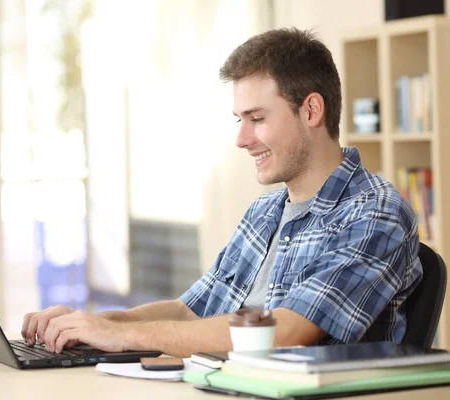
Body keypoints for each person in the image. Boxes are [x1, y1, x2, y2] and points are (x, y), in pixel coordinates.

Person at [22, 28, 422, 357]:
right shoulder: (264, 212)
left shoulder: (375, 213)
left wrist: (123, 337)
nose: (242, 139)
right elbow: (187, 312)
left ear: (312, 111)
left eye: (257, 118)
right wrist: (92, 324)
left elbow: (283, 333)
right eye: (240, 119)